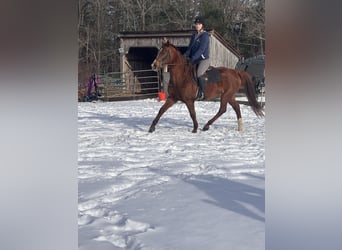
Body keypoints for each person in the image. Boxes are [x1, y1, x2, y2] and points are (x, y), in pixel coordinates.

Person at [184, 16, 210, 100]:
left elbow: (201, 50)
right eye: (196, 24)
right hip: (195, 59)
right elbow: (190, 49)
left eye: (199, 24)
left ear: (202, 25)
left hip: (203, 59)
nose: (197, 25)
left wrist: (193, 58)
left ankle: (202, 93)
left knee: (199, 73)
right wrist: (183, 57)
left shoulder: (205, 36)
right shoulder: (194, 36)